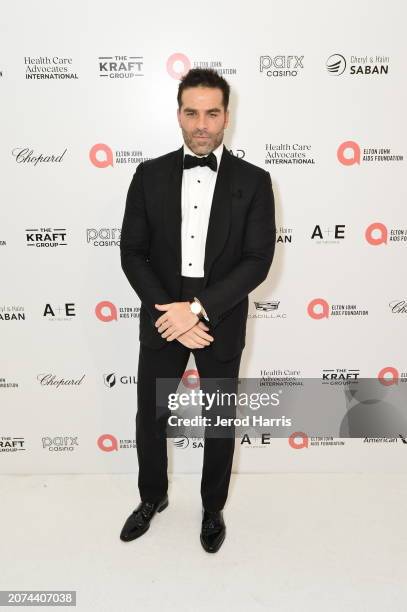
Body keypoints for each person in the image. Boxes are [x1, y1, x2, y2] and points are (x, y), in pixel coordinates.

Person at [119, 68, 276, 553]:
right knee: (151, 415)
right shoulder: (149, 175)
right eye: (192, 113)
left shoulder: (254, 181)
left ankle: (212, 508)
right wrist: (174, 313)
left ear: (226, 116)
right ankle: (152, 498)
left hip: (220, 316)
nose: (201, 124)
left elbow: (257, 261)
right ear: (179, 115)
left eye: (212, 113)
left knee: (219, 420)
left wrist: (199, 310)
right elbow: (132, 252)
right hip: (164, 313)